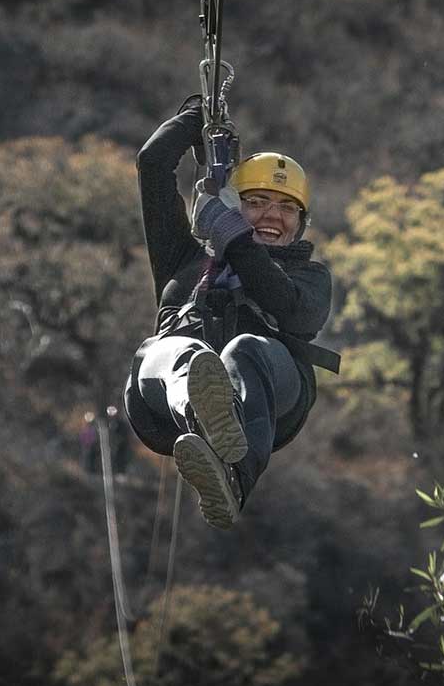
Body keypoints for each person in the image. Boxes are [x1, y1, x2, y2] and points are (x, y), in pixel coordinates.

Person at [123, 96, 338, 529]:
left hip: (268, 399)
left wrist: (232, 236)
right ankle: (202, 414)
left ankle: (233, 476)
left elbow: (290, 309)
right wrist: (197, 118)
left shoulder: (311, 277)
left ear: (301, 222)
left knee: (244, 349)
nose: (272, 216)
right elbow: (153, 163)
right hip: (165, 405)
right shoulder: (183, 258)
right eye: (257, 201)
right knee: (176, 349)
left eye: (286, 207)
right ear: (232, 203)